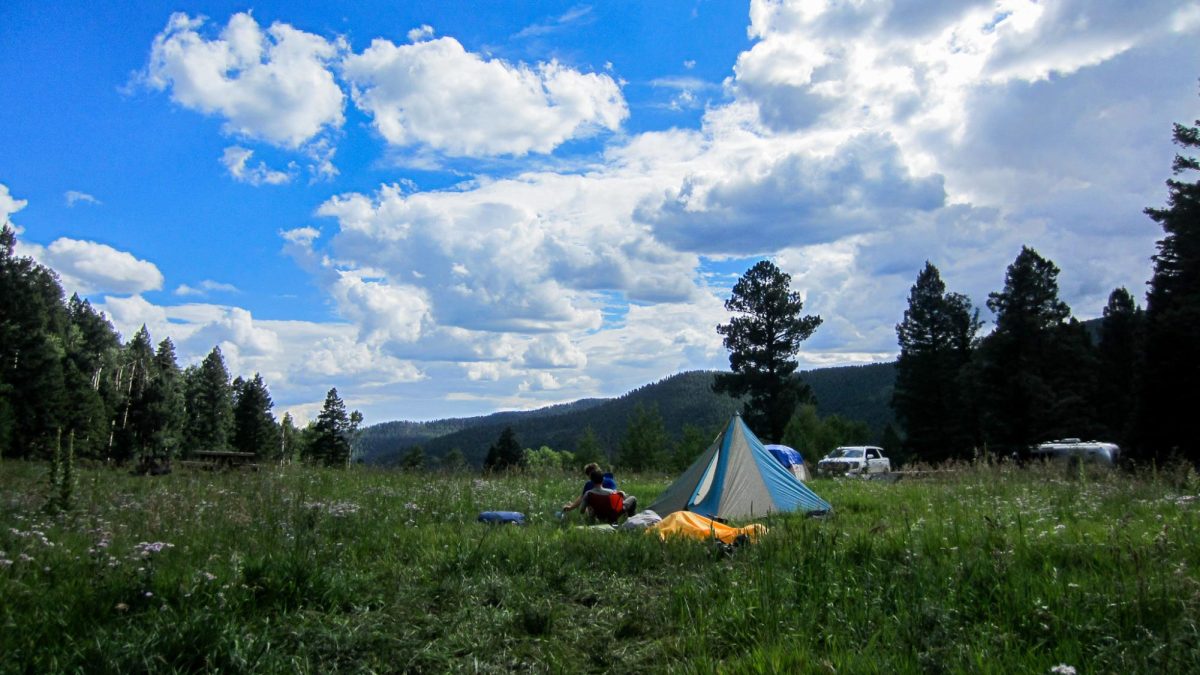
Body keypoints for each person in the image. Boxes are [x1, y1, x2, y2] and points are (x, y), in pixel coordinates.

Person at [563, 464, 637, 523]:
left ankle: (591, 522)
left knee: (590, 504)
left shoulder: (588, 493)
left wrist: (572, 507)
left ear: (590, 479)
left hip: (599, 515)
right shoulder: (611, 489)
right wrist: (622, 494)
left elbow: (582, 508)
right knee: (632, 498)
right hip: (613, 514)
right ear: (602, 479)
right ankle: (631, 520)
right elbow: (617, 502)